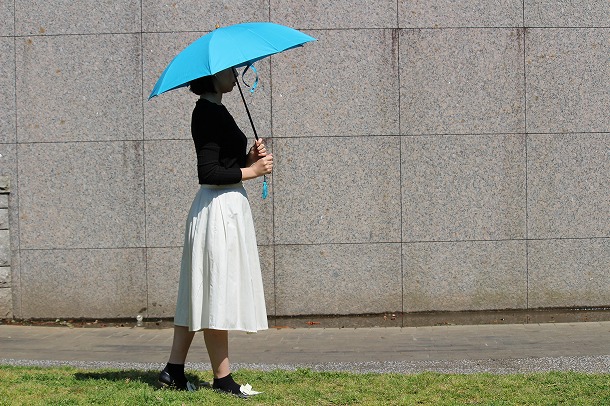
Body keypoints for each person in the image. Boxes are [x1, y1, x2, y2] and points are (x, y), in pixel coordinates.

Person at [158, 66, 273, 398]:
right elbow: (208, 172)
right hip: (217, 211)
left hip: (223, 209)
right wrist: (252, 170)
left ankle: (173, 370)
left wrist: (247, 157)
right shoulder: (206, 112)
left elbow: (223, 163)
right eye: (229, 70)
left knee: (200, 292)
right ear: (211, 75)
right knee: (215, 291)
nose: (235, 74)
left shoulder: (216, 109)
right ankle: (222, 379)